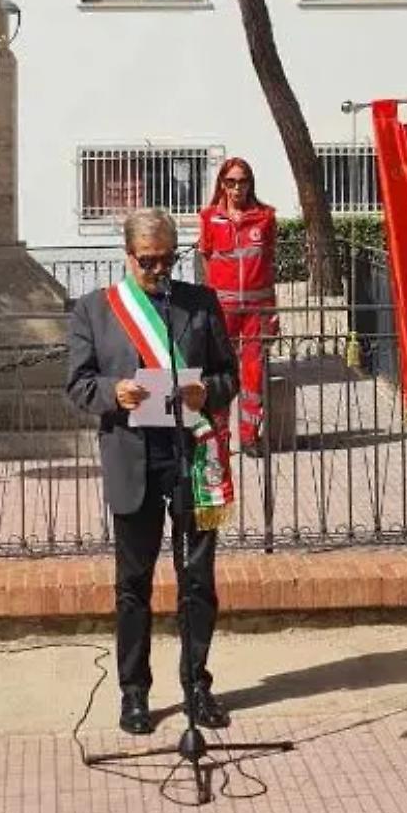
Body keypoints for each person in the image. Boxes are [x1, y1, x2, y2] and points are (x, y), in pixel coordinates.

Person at [66, 207, 239, 736]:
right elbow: (78, 384)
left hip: (192, 457)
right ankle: (134, 692)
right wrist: (112, 392)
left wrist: (207, 391)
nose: (160, 270)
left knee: (197, 581)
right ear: (128, 256)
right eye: (148, 262)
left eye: (167, 260)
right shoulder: (95, 310)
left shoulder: (199, 303)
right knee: (133, 583)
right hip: (133, 456)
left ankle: (196, 686)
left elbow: (230, 375)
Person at [198, 158, 278, 455]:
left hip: (257, 309)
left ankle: (249, 436)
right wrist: (209, 302)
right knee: (221, 372)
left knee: (254, 373)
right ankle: (219, 436)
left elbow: (269, 262)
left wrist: (272, 311)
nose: (236, 188)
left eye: (242, 181)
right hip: (223, 309)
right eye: (230, 181)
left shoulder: (266, 217)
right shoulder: (209, 217)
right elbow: (206, 258)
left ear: (250, 183)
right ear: (222, 183)